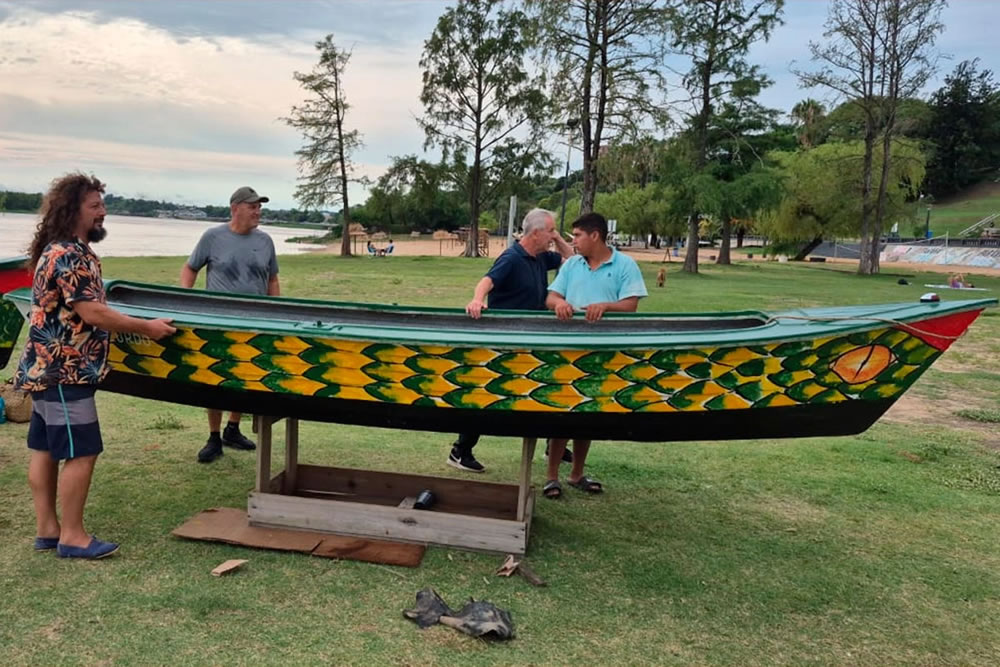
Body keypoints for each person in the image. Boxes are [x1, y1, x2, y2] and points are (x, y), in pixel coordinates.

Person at [14, 173, 176, 559]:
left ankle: (48, 529)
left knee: (44, 448)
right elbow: (92, 312)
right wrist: (146, 328)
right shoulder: (72, 255)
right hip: (65, 372)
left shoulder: (51, 249)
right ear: (74, 210)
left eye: (103, 205)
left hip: (41, 368)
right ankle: (72, 537)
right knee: (81, 452)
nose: (103, 213)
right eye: (95, 206)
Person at [446, 208, 574, 473]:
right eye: (549, 232)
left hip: (534, 337)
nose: (552, 237)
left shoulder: (540, 257)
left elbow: (570, 259)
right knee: (489, 393)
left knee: (547, 386)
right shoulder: (512, 257)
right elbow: (486, 281)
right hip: (505, 339)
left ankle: (554, 444)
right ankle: (461, 451)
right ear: (535, 233)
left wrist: (558, 237)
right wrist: (478, 299)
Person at [542, 212, 648, 499]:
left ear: (595, 235)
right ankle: (551, 477)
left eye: (576, 236)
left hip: (603, 351)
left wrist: (605, 306)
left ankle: (576, 474)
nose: (572, 242)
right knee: (561, 411)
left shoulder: (625, 264)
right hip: (567, 348)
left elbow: (631, 305)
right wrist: (560, 303)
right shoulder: (573, 264)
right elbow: (550, 297)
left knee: (588, 411)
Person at [181, 186, 280, 463]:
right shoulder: (213, 237)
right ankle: (213, 437)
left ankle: (233, 429)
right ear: (235, 208)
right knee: (216, 378)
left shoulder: (266, 241)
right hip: (218, 320)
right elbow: (190, 268)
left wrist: (278, 312)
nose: (258, 211)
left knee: (245, 375)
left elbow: (272, 279)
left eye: (259, 207)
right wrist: (187, 300)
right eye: (253, 206)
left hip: (255, 322)